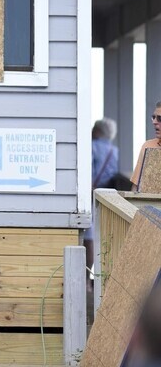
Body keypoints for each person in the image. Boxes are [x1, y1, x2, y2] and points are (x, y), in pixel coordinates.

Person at [85, 118, 118, 280]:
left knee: (88, 239)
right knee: (100, 238)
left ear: (97, 131)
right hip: (105, 198)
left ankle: (85, 280)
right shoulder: (114, 150)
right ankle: (94, 281)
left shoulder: (92, 147)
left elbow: (88, 171)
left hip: (89, 196)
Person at [132, 101, 161, 189]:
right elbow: (135, 187)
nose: (154, 122)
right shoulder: (148, 146)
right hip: (149, 202)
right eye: (153, 117)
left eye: (160, 118)